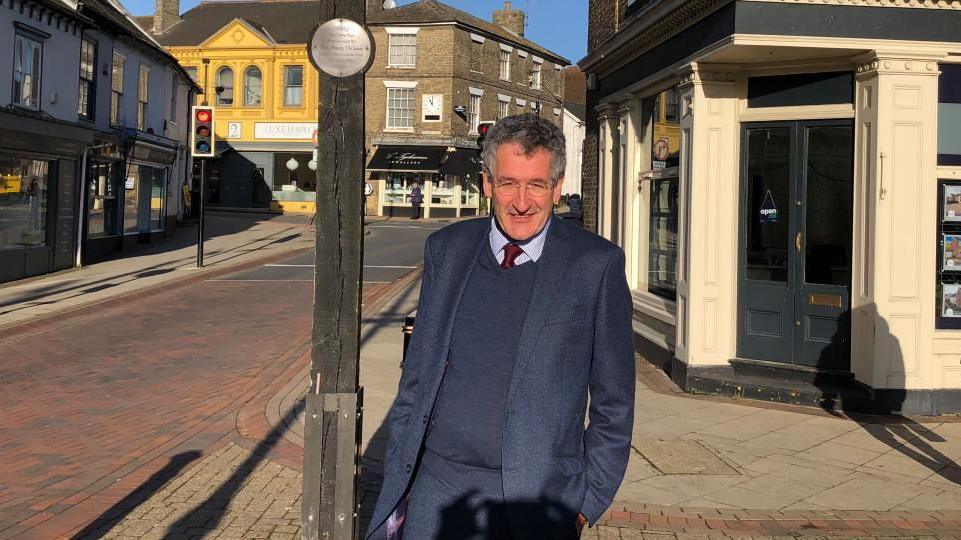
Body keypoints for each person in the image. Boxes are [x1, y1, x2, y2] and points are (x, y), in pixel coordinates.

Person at [366, 114, 635, 539]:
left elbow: (614, 403)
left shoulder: (595, 265)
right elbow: (418, 375)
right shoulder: (447, 250)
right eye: (508, 183)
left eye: (537, 185)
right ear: (487, 183)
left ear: (557, 186)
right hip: (436, 493)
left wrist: (585, 503)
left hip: (536, 502)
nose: (522, 201)